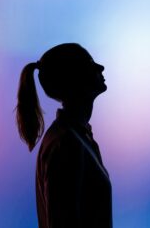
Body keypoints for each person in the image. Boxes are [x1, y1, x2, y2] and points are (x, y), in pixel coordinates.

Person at [16, 43, 112, 228]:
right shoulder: (65, 144)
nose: (100, 67)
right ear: (74, 78)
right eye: (89, 63)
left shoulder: (78, 138)